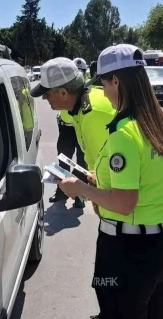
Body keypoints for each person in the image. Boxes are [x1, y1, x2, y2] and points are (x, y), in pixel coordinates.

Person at [58, 44, 163, 319]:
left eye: (102, 82)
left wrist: (80, 188)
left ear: (115, 80)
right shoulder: (160, 124)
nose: (102, 90)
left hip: (126, 253)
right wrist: (99, 182)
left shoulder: (123, 133)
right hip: (162, 248)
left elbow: (125, 203)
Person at [30, 57, 116, 210]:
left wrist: (83, 189)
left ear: (63, 93)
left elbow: (113, 176)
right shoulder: (80, 109)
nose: (44, 98)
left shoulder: (92, 115)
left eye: (47, 93)